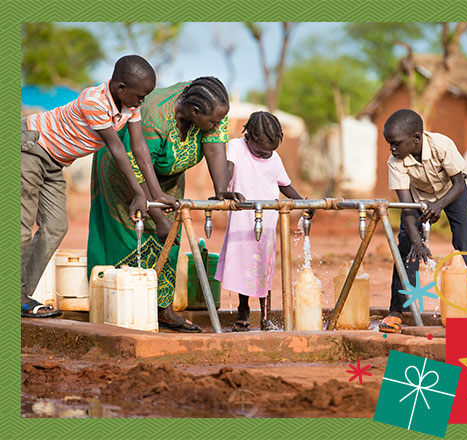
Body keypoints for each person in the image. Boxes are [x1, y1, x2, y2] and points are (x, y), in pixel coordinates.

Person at [21, 55, 177, 319]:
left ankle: (21, 295)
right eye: (140, 96)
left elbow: (139, 148)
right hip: (32, 148)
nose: (143, 101)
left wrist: (157, 194)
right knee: (21, 228)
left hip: (56, 162)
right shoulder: (93, 101)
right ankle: (19, 298)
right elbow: (117, 148)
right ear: (120, 89)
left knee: (56, 227)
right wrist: (139, 194)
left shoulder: (129, 105)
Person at [87, 77, 240, 332]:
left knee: (170, 238)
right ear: (194, 112)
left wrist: (221, 190)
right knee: (128, 236)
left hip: (168, 180)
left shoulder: (213, 107)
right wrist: (157, 217)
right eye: (212, 121)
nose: (217, 124)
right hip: (125, 173)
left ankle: (163, 310)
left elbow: (214, 147)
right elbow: (136, 163)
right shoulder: (154, 115)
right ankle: (121, 310)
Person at [379, 109, 467, 334]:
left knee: (465, 236)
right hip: (418, 199)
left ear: (416, 138)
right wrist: (418, 241)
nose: (392, 148)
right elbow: (406, 207)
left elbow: (459, 184)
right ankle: (397, 311)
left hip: (451, 192)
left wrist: (440, 204)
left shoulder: (441, 145)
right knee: (406, 247)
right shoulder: (395, 161)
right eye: (389, 144)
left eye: (396, 143)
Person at [215, 111, 312, 332]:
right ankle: (242, 312)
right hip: (242, 219)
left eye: (271, 150)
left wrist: (302, 202)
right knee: (242, 266)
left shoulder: (273, 158)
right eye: (262, 150)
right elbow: (228, 168)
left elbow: (283, 184)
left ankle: (265, 318)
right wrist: (223, 190)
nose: (267, 154)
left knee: (263, 269)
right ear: (249, 137)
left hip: (267, 221)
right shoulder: (237, 147)